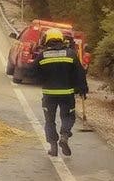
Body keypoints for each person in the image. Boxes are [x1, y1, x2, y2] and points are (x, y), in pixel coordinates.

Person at [34, 28, 88, 156]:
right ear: (61, 39)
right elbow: (80, 74)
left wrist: (43, 79)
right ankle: (64, 136)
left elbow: (33, 73)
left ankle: (53, 147)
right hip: (67, 94)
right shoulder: (70, 54)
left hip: (49, 95)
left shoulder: (42, 55)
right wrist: (82, 89)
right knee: (68, 117)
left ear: (46, 40)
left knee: (49, 120)